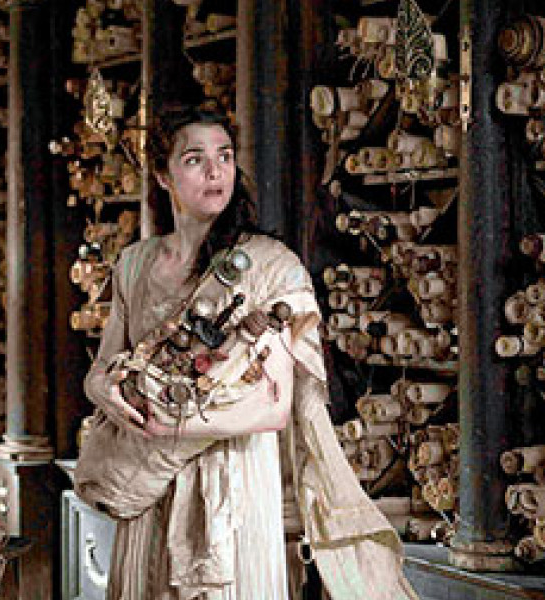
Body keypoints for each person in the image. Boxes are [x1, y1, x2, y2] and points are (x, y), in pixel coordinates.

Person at [76, 102, 418, 600]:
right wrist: (106, 394)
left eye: (225, 155)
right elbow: (102, 368)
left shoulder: (268, 265)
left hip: (233, 482)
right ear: (163, 175)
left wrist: (177, 428)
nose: (215, 171)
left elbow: (273, 408)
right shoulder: (135, 263)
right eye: (195, 159)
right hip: (148, 478)